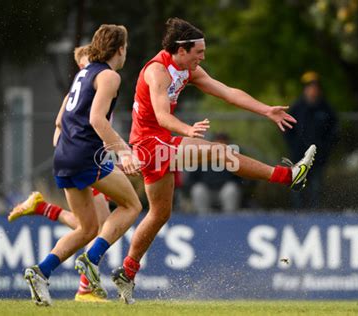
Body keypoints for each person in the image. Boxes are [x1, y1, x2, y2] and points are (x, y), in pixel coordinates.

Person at [110, 18, 316, 304]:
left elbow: (228, 92)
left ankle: (127, 271)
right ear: (181, 50)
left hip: (158, 142)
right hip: (150, 144)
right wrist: (187, 130)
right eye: (199, 52)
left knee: (159, 213)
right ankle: (289, 176)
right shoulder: (158, 71)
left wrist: (265, 110)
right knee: (219, 152)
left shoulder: (187, 68)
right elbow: (161, 116)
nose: (202, 57)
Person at [20, 24, 142, 306]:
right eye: (126, 48)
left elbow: (63, 119)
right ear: (120, 49)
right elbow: (98, 121)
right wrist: (124, 152)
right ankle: (92, 259)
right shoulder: (109, 75)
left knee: (87, 229)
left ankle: (40, 271)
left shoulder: (84, 73)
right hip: (86, 155)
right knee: (132, 205)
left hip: (63, 156)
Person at [8, 44, 112, 303]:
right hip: (84, 162)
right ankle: (86, 289)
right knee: (99, 226)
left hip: (78, 160)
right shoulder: (86, 88)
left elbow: (60, 126)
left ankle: (43, 209)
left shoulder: (85, 88)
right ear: (82, 66)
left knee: (89, 226)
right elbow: (61, 125)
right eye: (89, 61)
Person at [285, 71, 338, 209]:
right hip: (299, 156)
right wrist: (294, 146)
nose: (312, 91)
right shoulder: (297, 108)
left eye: (315, 87)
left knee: (316, 187)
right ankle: (298, 213)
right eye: (309, 87)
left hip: (318, 157)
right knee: (297, 185)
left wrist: (325, 147)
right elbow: (287, 130)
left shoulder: (326, 109)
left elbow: (334, 130)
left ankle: (315, 213)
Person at [185, 133, 244, 214]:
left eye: (223, 144)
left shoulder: (234, 159)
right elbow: (191, 179)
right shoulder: (202, 157)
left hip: (224, 191)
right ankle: (203, 220)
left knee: (231, 189)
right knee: (198, 190)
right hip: (206, 191)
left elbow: (240, 179)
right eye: (218, 143)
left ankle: (230, 220)